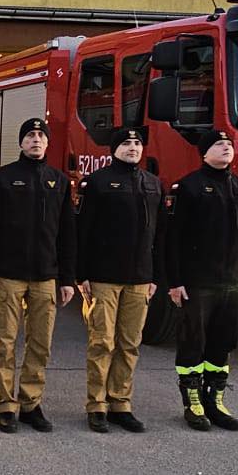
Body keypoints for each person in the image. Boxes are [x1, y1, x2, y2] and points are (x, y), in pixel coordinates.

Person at [160, 128, 238, 432]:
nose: (226, 148)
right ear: (204, 153)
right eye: (218, 144)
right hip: (198, 282)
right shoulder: (188, 187)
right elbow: (173, 238)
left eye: (228, 144)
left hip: (233, 281)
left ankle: (215, 401)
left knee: (223, 343)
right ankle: (192, 403)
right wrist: (175, 281)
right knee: (193, 342)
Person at [0, 116, 76, 432]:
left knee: (40, 344)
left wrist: (68, 279)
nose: (36, 140)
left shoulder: (59, 181)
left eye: (41, 135)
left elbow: (67, 234)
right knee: (5, 343)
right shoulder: (2, 178)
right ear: (21, 142)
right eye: (30, 135)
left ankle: (31, 403)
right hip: (9, 275)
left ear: (48, 142)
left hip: (45, 277)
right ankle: (7, 405)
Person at [74, 127, 163, 433]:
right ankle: (97, 404)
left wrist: (156, 275)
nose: (133, 147)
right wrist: (82, 274)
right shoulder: (96, 182)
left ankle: (120, 403)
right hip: (104, 277)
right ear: (114, 149)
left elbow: (160, 235)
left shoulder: (153, 183)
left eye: (137, 143)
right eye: (126, 143)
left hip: (140, 278)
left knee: (129, 344)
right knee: (102, 342)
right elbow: (83, 231)